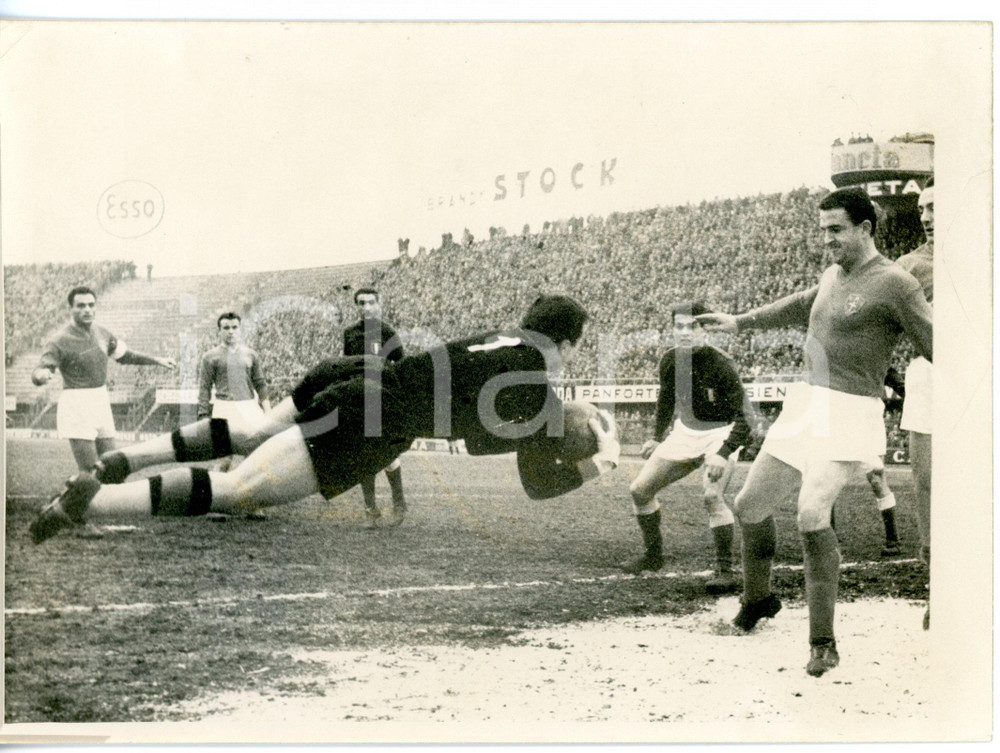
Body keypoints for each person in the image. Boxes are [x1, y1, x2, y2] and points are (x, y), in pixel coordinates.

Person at [31, 295, 620, 544]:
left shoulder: (499, 336)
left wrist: (561, 412)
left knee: (253, 431)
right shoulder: (535, 383)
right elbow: (538, 483)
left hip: (358, 375)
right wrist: (600, 461)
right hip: (380, 419)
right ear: (565, 344)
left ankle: (123, 460)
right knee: (238, 489)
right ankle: (93, 503)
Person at [697, 188, 932, 677]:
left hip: (851, 411)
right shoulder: (831, 275)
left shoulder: (896, 283)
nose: (826, 240)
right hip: (807, 406)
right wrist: (738, 321)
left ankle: (822, 641)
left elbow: (939, 344)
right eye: (823, 229)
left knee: (809, 512)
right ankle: (758, 600)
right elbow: (798, 303)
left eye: (835, 230)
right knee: (749, 505)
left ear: (865, 229)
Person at [621, 301, 753, 596]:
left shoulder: (722, 363)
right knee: (639, 490)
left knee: (711, 495)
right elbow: (665, 401)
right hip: (685, 432)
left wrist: (723, 451)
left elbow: (746, 418)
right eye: (679, 326)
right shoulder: (669, 361)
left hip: (720, 435)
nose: (684, 332)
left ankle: (724, 570)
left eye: (692, 326)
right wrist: (657, 436)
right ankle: (653, 556)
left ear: (705, 329)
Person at [31, 286, 176, 536]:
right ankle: (80, 521)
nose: (87, 310)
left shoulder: (102, 333)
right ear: (71, 308)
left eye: (90, 305)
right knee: (89, 471)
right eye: (81, 305)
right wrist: (40, 376)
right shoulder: (59, 339)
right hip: (77, 403)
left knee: (112, 466)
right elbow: (42, 368)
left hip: (100, 399)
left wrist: (156, 360)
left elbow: (125, 355)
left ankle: (85, 511)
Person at [895, 178, 934, 629]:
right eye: (922, 208)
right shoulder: (906, 267)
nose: (926, 216)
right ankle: (935, 588)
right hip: (929, 375)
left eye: (935, 206)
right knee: (927, 483)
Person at [343, 289, 406, 528]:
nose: (366, 307)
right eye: (361, 303)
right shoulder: (350, 334)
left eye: (371, 302)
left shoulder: (388, 332)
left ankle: (399, 505)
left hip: (382, 397)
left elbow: (401, 365)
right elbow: (348, 366)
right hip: (359, 397)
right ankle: (371, 510)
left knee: (388, 454)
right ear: (356, 306)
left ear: (378, 304)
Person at [197, 312, 270, 474]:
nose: (231, 331)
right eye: (226, 327)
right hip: (223, 408)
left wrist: (268, 410)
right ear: (219, 331)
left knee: (255, 458)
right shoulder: (209, 357)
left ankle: (249, 495)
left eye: (234, 327)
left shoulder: (251, 355)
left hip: (248, 408)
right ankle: (214, 493)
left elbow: (260, 383)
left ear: (240, 329)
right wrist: (203, 416)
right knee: (224, 461)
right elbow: (204, 388)